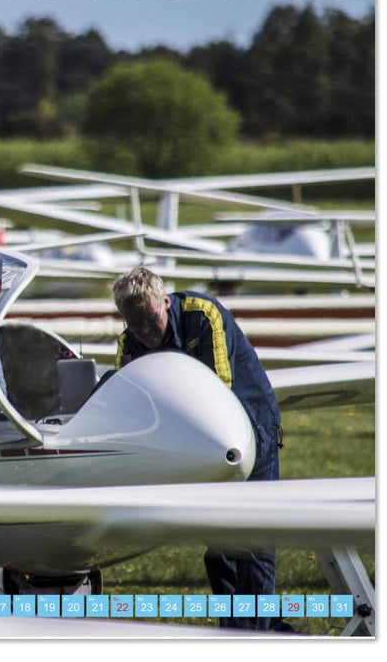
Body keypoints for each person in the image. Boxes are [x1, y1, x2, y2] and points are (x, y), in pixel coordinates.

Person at [111, 266, 283, 631]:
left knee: (254, 541)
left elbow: (218, 390)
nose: (144, 332)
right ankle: (235, 629)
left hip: (251, 428)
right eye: (134, 324)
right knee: (220, 545)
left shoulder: (204, 315)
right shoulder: (130, 342)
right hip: (198, 445)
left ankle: (259, 634)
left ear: (166, 302)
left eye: (149, 320)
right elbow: (128, 402)